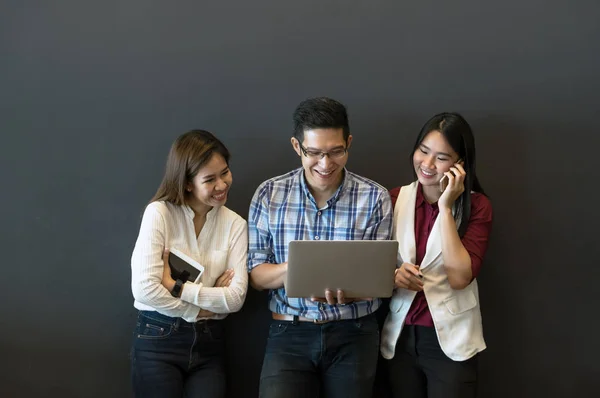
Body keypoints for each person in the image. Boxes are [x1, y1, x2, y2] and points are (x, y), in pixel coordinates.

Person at [247, 97, 393, 398]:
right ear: (296, 146)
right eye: (314, 153)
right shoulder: (269, 194)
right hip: (289, 332)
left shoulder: (375, 197)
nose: (325, 164)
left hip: (355, 331)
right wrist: (298, 270)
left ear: (348, 142)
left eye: (336, 152)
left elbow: (380, 278)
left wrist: (349, 290)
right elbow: (256, 276)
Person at [380, 112, 493, 398]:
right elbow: (371, 268)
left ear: (460, 163)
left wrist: (445, 207)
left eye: (441, 157)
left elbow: (458, 278)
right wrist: (393, 277)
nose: (427, 164)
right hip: (400, 336)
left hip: (452, 340)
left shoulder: (477, 207)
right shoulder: (394, 198)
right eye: (423, 151)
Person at [130, 130, 248, 398]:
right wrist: (203, 309)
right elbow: (145, 289)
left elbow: (236, 298)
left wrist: (177, 288)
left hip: (210, 344)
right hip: (157, 337)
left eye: (225, 172)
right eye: (209, 179)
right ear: (187, 183)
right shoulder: (159, 213)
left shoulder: (236, 225)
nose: (222, 184)